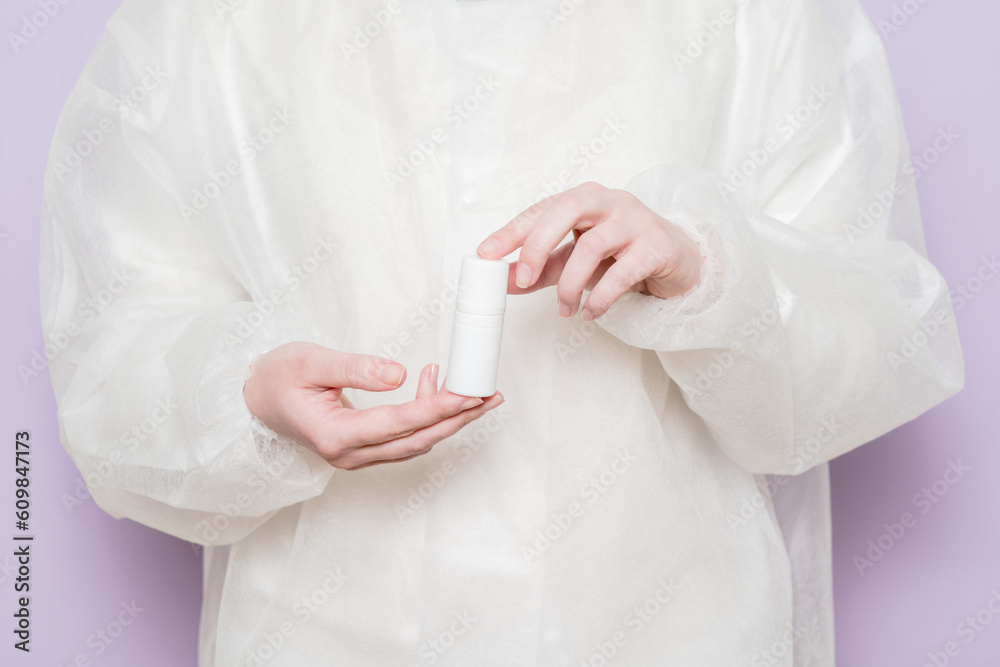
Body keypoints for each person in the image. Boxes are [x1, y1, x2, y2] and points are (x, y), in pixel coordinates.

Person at [38, 0, 965, 664]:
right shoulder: (203, 26)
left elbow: (884, 340)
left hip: (670, 627)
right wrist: (246, 398)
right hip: (325, 631)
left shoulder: (760, 20)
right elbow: (112, 348)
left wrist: (705, 268)